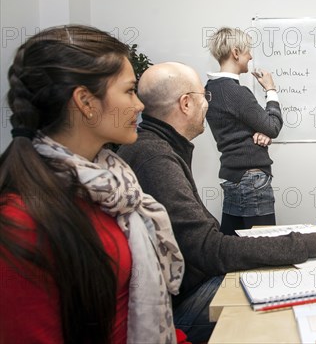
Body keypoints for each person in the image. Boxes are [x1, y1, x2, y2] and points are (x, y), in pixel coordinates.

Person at [117, 62, 316, 343]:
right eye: (202, 96)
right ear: (185, 104)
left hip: (185, 288)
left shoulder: (155, 147)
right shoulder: (156, 158)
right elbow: (211, 250)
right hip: (183, 306)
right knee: (294, 292)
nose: (208, 103)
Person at [0, 25, 186, 344]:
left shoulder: (112, 184)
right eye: (129, 91)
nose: (139, 105)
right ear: (86, 101)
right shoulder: (22, 223)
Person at [204, 27, 281, 234]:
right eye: (248, 51)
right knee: (265, 249)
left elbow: (237, 127)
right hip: (252, 181)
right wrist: (271, 89)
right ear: (236, 53)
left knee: (232, 245)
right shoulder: (236, 92)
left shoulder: (210, 90)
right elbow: (273, 126)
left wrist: (260, 131)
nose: (251, 56)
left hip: (233, 178)